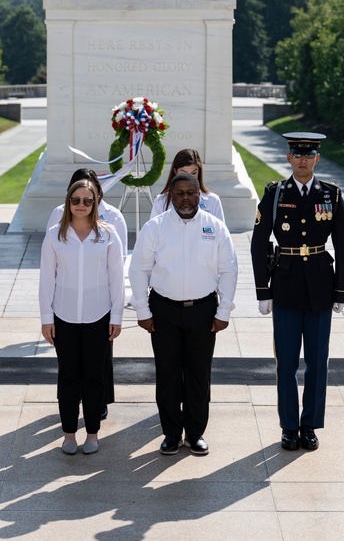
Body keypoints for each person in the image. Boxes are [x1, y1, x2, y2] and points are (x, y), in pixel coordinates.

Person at [250, 132, 344, 452]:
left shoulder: (331, 195)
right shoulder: (275, 194)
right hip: (287, 286)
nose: (303, 159)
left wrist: (340, 290)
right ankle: (289, 426)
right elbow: (259, 242)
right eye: (297, 154)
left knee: (318, 362)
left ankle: (309, 425)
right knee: (288, 363)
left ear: (317, 159)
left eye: (309, 154)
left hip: (320, 286)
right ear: (288, 157)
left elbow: (342, 246)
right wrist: (263, 289)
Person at [130, 172, 238, 455]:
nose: (186, 198)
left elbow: (229, 269)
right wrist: (142, 309)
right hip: (163, 310)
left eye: (191, 192)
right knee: (167, 375)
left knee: (199, 375)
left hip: (203, 311)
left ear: (199, 195)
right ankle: (171, 434)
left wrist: (224, 310)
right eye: (180, 193)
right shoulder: (155, 228)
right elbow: (138, 269)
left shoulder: (215, 228)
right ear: (170, 196)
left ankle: (195, 432)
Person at [39, 179, 124, 455]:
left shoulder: (108, 234)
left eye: (87, 201)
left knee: (93, 376)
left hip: (98, 316)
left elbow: (116, 279)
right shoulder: (54, 235)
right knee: (68, 377)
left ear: (95, 203)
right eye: (76, 200)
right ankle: (68, 434)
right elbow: (46, 280)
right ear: (68, 201)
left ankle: (92, 434)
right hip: (63, 317)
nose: (81, 205)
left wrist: (117, 316)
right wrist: (46, 318)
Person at [149, 149, 224, 221]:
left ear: (199, 172)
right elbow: (152, 231)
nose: (189, 178)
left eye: (193, 173)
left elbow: (220, 231)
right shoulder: (161, 201)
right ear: (175, 171)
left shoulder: (213, 200)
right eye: (184, 173)